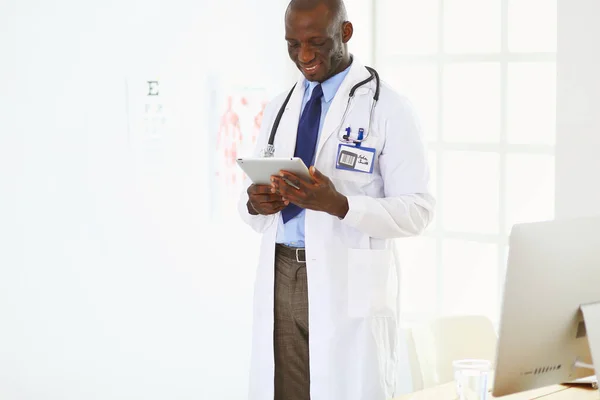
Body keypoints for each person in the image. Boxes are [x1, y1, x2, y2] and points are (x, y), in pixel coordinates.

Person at [237, 0, 435, 399]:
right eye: (293, 44)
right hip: (282, 272)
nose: (304, 56)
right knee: (287, 390)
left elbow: (419, 210)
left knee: (345, 387)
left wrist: (339, 204)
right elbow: (258, 202)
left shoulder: (389, 108)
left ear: (345, 33)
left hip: (348, 278)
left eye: (317, 42)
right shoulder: (280, 107)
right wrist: (255, 203)